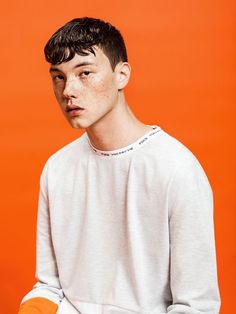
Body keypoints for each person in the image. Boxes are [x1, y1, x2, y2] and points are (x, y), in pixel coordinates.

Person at [18, 17, 221, 314]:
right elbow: (49, 286)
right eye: (58, 77)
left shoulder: (177, 170)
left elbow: (196, 307)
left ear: (122, 75)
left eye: (84, 73)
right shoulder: (57, 169)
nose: (68, 91)